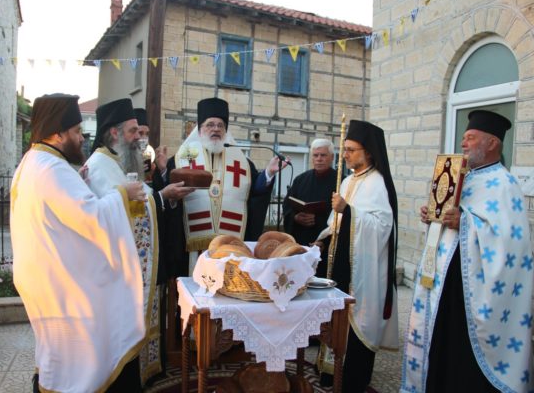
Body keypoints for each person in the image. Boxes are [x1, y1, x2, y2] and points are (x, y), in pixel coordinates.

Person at [10, 93, 147, 392]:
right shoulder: (51, 169)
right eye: (76, 131)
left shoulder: (33, 163)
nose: (82, 139)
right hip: (60, 284)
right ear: (58, 133)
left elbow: (63, 218)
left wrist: (81, 185)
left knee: (58, 353)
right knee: (85, 347)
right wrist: (123, 194)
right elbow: (92, 218)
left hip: (45, 277)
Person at [401, 110, 534, 393]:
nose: (463, 143)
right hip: (446, 283)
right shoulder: (464, 178)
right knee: (443, 341)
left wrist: (465, 222)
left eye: (471, 138)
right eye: (463, 138)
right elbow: (450, 223)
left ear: (492, 143)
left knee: (463, 352)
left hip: (474, 289)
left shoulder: (505, 183)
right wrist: (433, 217)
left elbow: (511, 241)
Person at [84, 98, 193, 388]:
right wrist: (163, 197)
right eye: (133, 131)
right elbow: (117, 211)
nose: (138, 137)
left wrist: (162, 196)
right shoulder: (99, 166)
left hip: (129, 268)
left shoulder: (117, 161)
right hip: (114, 270)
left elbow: (141, 197)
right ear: (114, 132)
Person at [154, 97, 288, 276]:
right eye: (210, 124)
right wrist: (164, 171)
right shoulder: (181, 160)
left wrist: (268, 174)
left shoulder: (242, 162)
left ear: (225, 130)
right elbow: (168, 192)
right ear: (199, 130)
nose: (215, 129)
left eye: (220, 125)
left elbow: (254, 193)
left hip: (231, 245)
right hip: (191, 246)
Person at [316, 120, 399, 392]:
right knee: (334, 316)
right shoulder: (348, 180)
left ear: (369, 152)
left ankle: (353, 377)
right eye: (345, 149)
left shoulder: (378, 183)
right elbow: (335, 223)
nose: (346, 155)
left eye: (351, 150)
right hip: (339, 263)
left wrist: (349, 211)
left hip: (362, 267)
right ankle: (330, 372)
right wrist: (322, 240)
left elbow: (383, 227)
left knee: (356, 319)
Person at [283, 138, 337, 277]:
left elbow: (341, 215)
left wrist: (319, 224)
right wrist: (295, 217)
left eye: (323, 155)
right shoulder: (300, 179)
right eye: (315, 155)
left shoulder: (340, 182)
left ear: (332, 157)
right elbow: (287, 205)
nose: (319, 159)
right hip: (301, 241)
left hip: (326, 245)